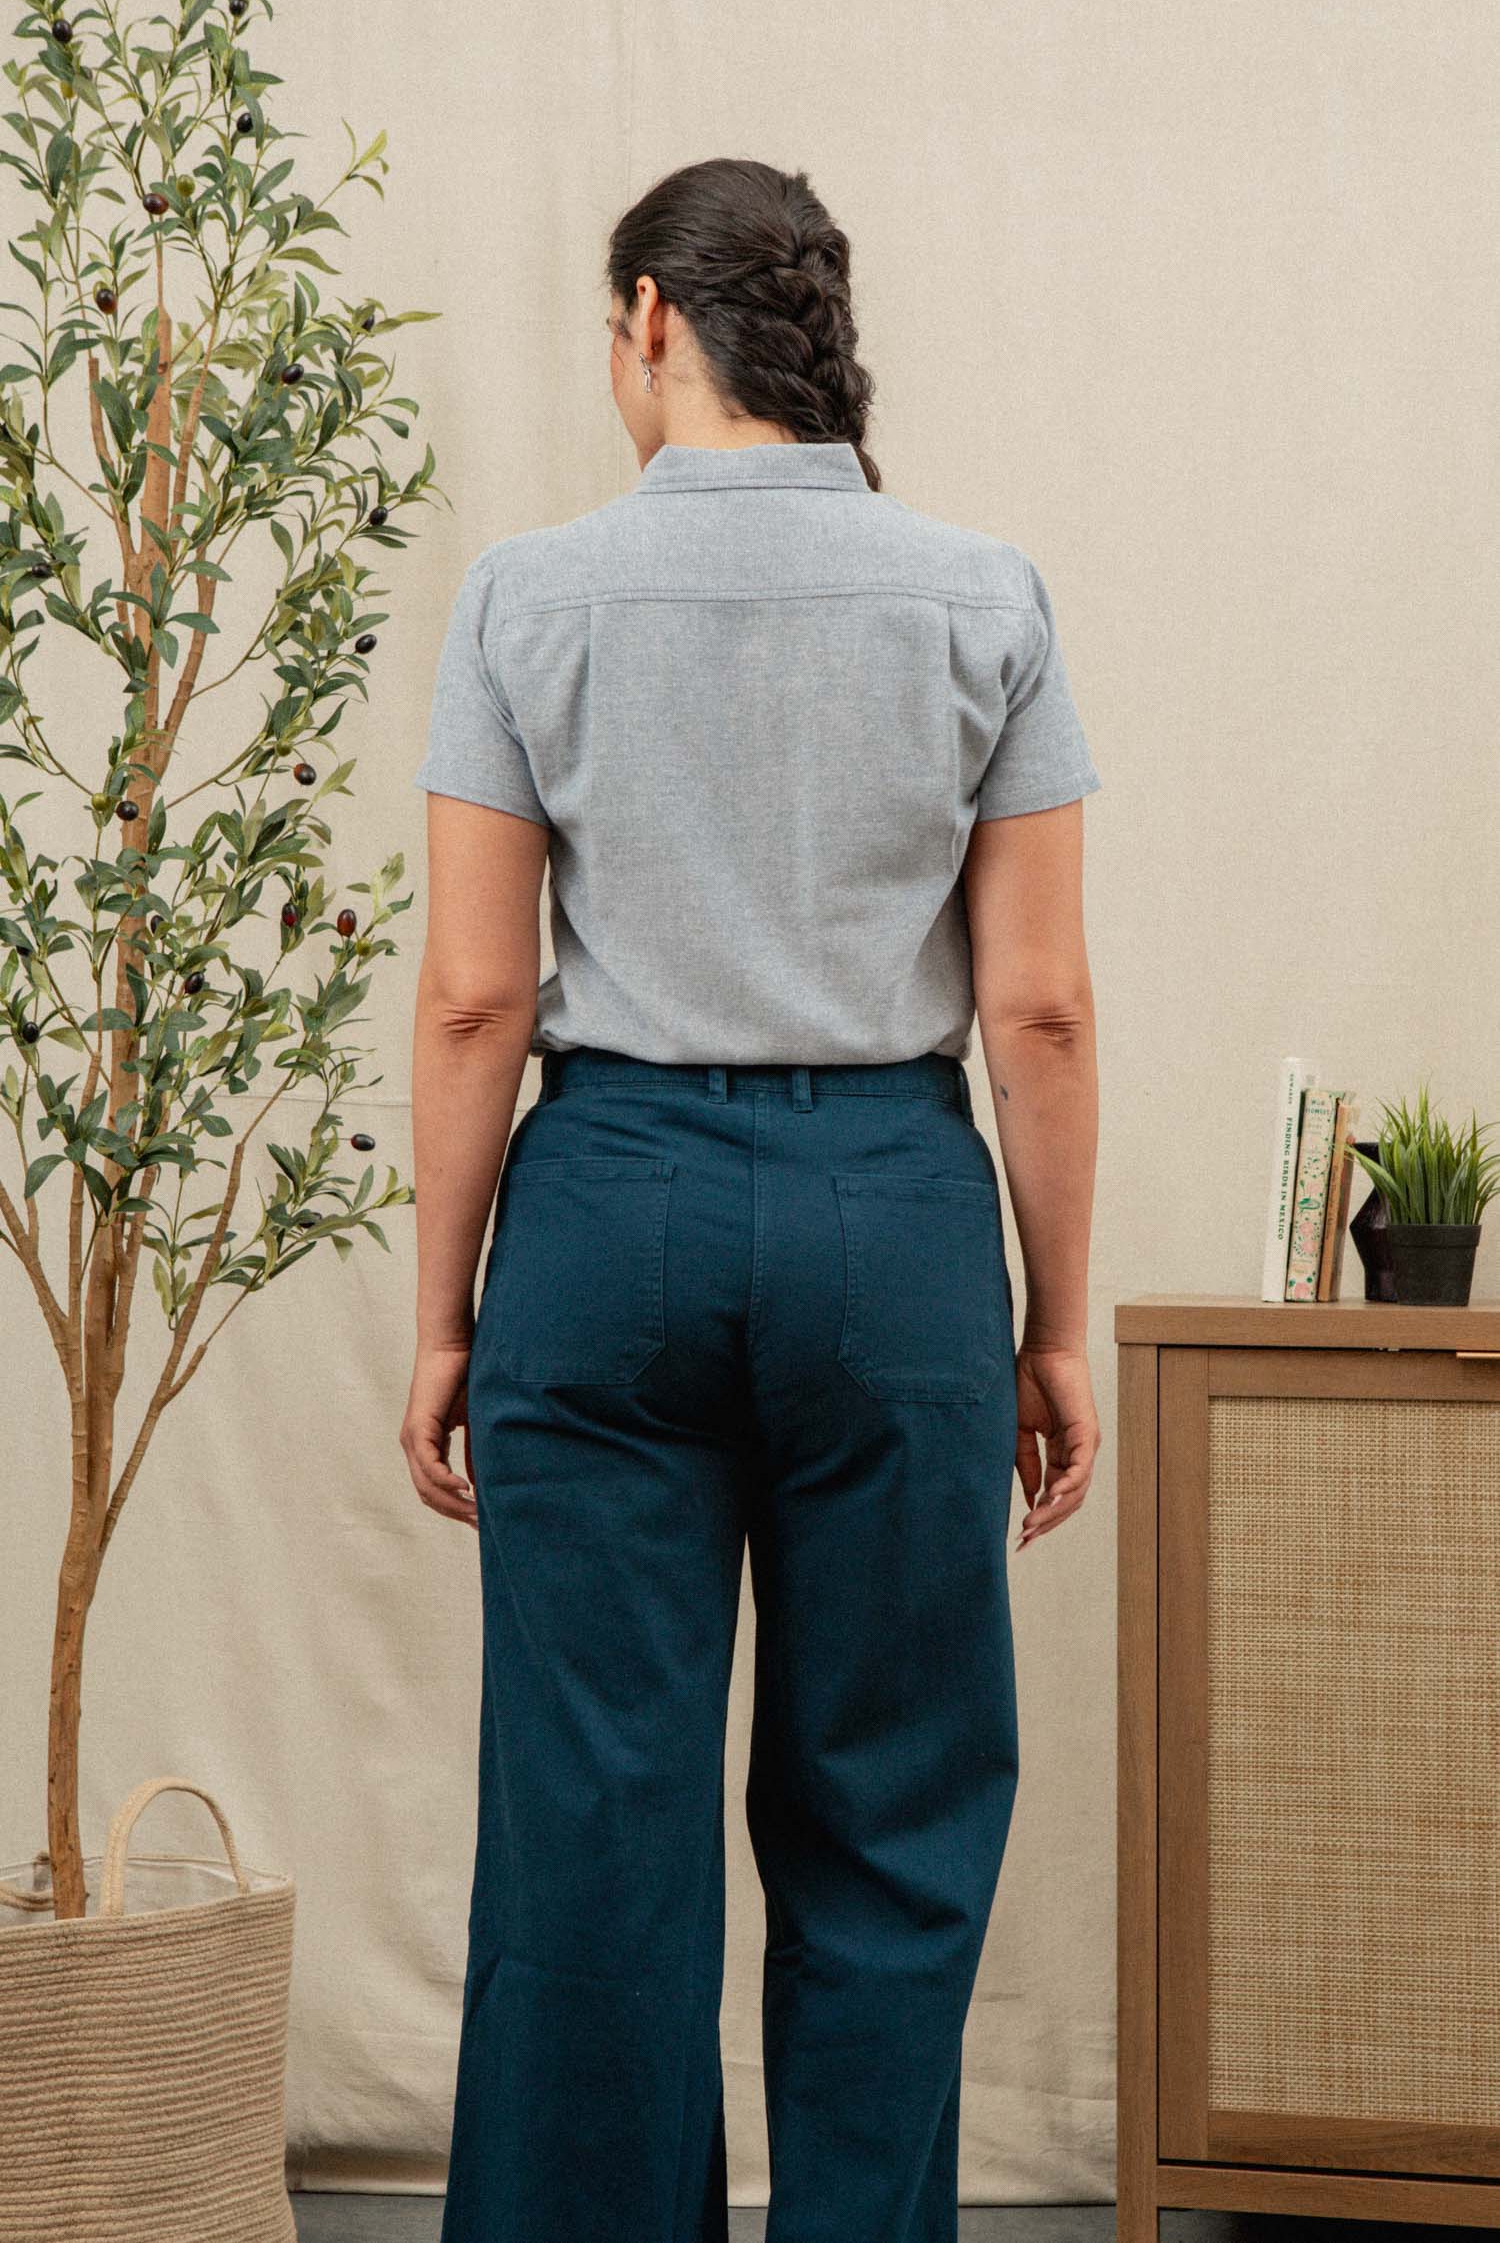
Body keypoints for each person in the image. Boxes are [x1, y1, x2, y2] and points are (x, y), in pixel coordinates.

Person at [401, 154, 1103, 2243]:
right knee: (887, 1821)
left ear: (648, 325)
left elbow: (472, 996)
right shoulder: (984, 596)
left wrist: (445, 1315)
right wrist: (1053, 1322)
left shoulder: (527, 599)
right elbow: (1042, 1010)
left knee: (592, 1834)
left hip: (607, 1214)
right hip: (891, 1221)